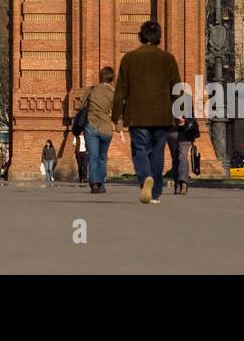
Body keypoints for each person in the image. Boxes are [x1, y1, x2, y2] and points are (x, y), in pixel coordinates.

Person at [111, 19, 181, 205]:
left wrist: (115, 115)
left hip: (137, 115)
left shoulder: (129, 58)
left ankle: (145, 179)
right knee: (157, 153)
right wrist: (180, 112)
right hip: (162, 116)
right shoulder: (168, 59)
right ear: (159, 37)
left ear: (140, 37)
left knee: (140, 150)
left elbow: (120, 91)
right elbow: (177, 88)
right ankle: (155, 194)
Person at [80, 66, 116, 194]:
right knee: (102, 157)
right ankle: (101, 185)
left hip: (91, 125)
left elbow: (82, 105)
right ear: (112, 79)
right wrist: (120, 128)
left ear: (100, 77)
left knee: (93, 156)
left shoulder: (91, 89)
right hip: (106, 128)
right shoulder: (112, 93)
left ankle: (94, 183)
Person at [167, 101, 201, 195]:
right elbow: (192, 119)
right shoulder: (186, 99)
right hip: (186, 132)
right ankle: (183, 181)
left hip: (172, 132)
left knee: (175, 159)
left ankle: (177, 186)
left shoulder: (167, 98)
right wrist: (193, 137)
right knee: (183, 157)